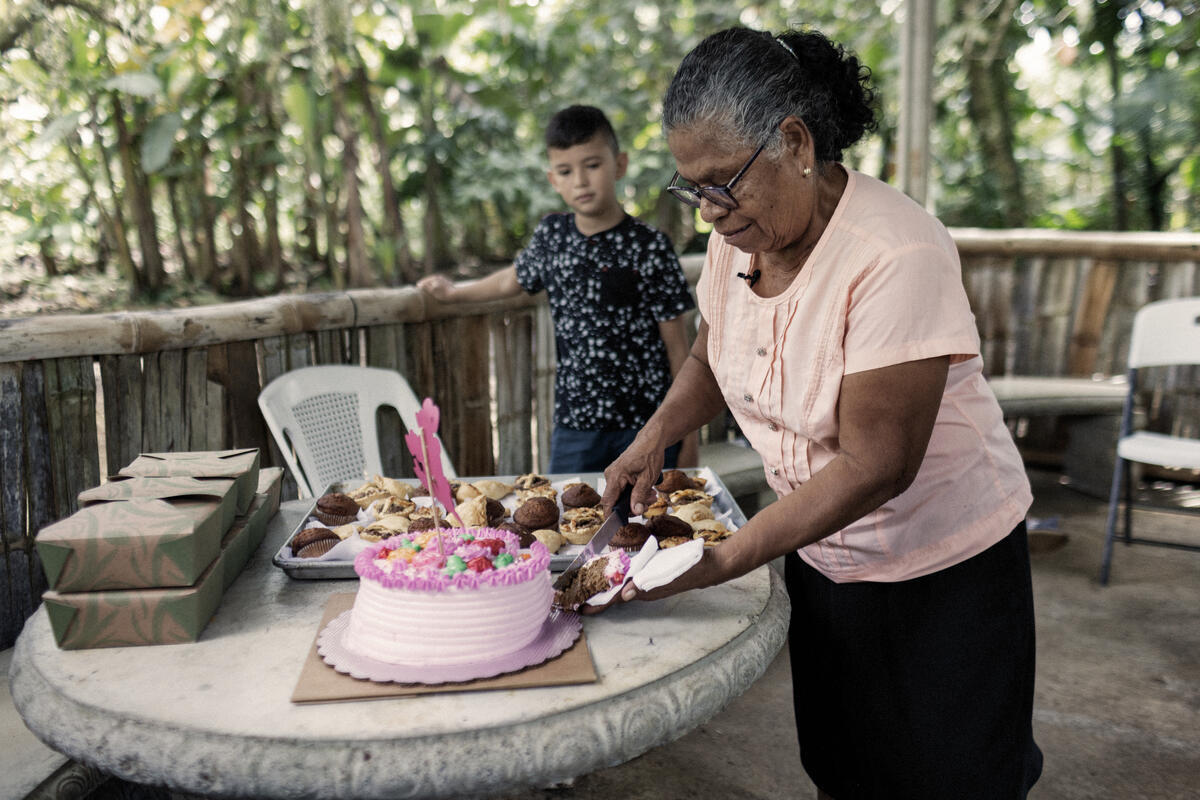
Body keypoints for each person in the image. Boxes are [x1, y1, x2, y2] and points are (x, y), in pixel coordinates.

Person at [598, 27, 1043, 800]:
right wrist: (654, 436)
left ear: (795, 143)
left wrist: (727, 560)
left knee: (955, 777)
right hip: (825, 557)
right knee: (845, 767)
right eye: (690, 188)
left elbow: (878, 464)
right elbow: (712, 354)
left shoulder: (894, 253)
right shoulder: (743, 240)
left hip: (944, 571)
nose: (708, 211)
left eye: (720, 182)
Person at [418, 105, 697, 473]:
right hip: (575, 427)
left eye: (593, 165)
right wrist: (454, 293)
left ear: (620, 164)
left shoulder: (650, 246)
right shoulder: (552, 236)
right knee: (568, 522)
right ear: (554, 180)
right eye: (566, 171)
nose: (580, 181)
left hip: (647, 426)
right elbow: (511, 280)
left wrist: (687, 436)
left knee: (650, 521)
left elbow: (678, 349)